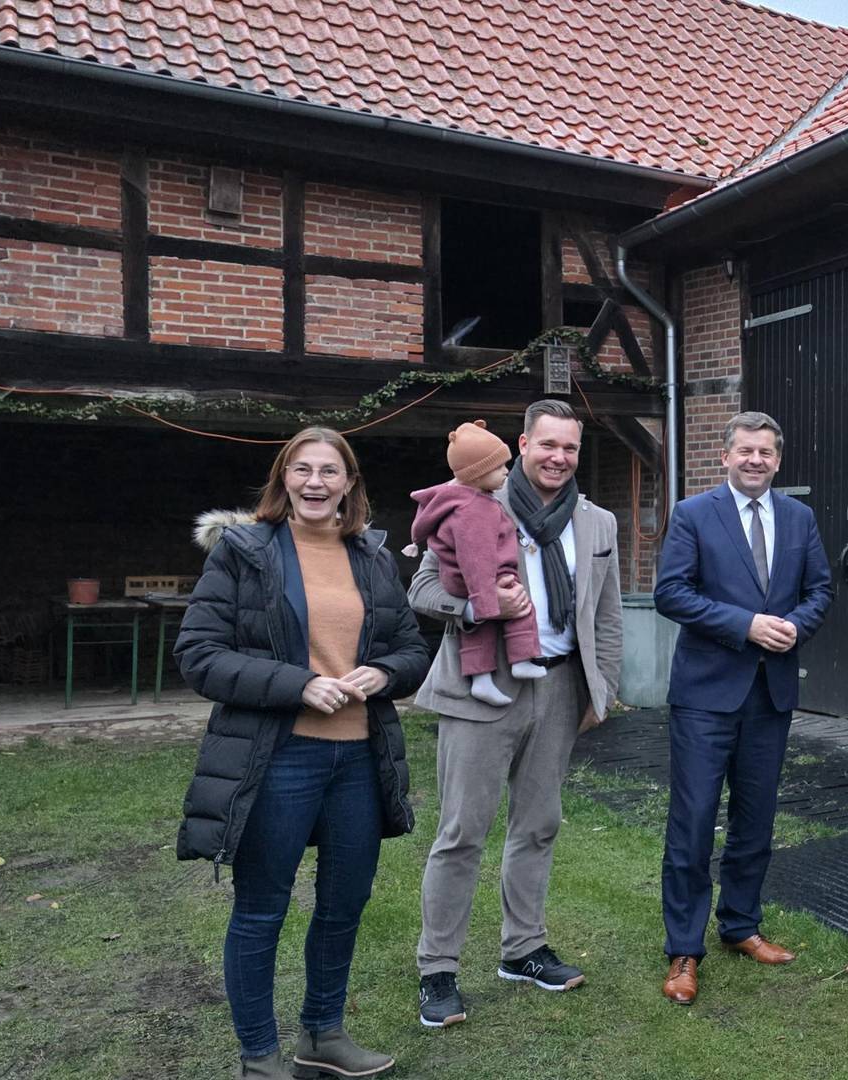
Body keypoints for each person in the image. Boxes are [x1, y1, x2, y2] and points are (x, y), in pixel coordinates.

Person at [175, 427, 432, 1080]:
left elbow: (410, 648)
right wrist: (298, 685)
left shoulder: (371, 557)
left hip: (357, 765)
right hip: (277, 760)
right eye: (302, 469)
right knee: (261, 909)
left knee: (344, 905)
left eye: (329, 471)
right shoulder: (244, 552)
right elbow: (200, 656)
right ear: (283, 478)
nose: (315, 483)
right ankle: (259, 1059)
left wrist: (385, 674)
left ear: (350, 484)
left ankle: (322, 1035)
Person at [408, 399, 623, 1029]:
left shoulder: (599, 522)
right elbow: (421, 590)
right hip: (482, 687)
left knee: (539, 826)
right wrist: (481, 607)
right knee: (461, 833)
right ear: (522, 445)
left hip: (558, 689)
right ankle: (438, 969)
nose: (559, 457)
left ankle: (522, 949)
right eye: (547, 444)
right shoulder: (471, 502)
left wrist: (599, 689)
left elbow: (605, 617)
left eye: (571, 448)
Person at [653, 411, 832, 1006]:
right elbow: (671, 593)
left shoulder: (800, 517)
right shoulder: (693, 515)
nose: (755, 461)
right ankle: (684, 948)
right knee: (695, 821)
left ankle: (740, 926)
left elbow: (820, 591)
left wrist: (792, 627)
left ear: (778, 460)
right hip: (706, 695)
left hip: (770, 695)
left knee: (756, 819)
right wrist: (746, 625)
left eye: (766, 453)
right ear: (724, 457)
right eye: (745, 451)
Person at [405, 419, 546, 707]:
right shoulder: (475, 510)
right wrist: (483, 604)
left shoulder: (465, 502)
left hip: (465, 579)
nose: (506, 471)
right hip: (478, 579)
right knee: (520, 605)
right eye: (498, 467)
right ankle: (521, 657)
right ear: (478, 473)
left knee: (480, 628)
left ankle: (481, 678)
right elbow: (476, 559)